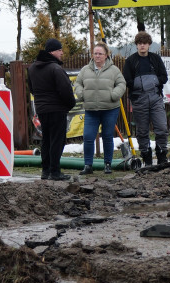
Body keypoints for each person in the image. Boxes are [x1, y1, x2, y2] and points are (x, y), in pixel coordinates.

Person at [73, 42, 126, 175]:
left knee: (107, 136)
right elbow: (77, 83)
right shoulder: (85, 70)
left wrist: (114, 95)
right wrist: (81, 94)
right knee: (88, 137)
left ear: (106, 55)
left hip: (110, 109)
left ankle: (107, 164)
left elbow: (121, 83)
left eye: (100, 54)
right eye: (95, 53)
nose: (97, 56)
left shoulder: (114, 70)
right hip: (91, 110)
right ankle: (88, 165)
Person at [27, 38, 76, 181]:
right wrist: (69, 105)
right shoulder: (55, 68)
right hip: (57, 109)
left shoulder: (32, 68)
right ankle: (55, 172)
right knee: (57, 141)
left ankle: (45, 171)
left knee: (46, 140)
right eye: (59, 50)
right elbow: (66, 90)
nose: (62, 52)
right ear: (52, 52)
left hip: (42, 109)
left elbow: (32, 89)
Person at [121, 31, 169, 167]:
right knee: (142, 131)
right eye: (140, 43)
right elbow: (127, 80)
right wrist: (140, 84)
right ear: (136, 45)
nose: (142, 46)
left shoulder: (155, 59)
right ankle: (146, 158)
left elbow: (164, 77)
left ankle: (162, 155)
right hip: (139, 99)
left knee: (161, 127)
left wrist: (153, 82)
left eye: (145, 43)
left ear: (149, 45)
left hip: (155, 97)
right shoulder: (130, 61)